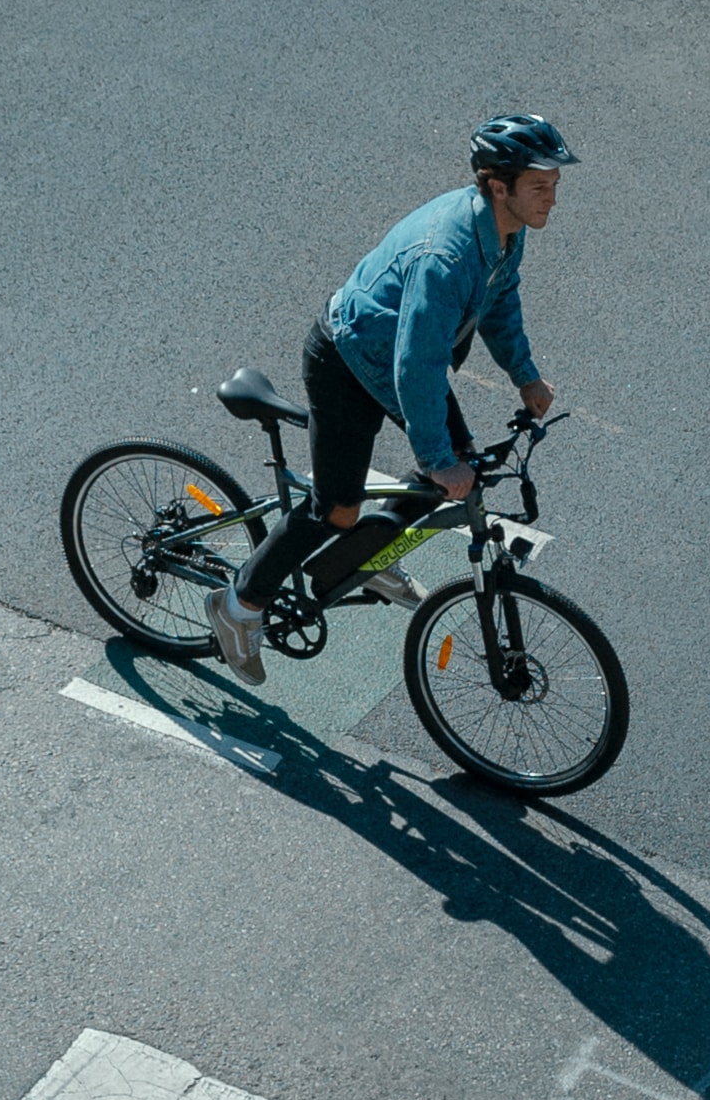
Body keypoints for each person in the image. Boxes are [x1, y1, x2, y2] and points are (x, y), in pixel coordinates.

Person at [211, 115, 574, 679]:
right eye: (541, 186)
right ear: (497, 185)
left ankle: (363, 555)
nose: (552, 199)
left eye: (554, 185)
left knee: (459, 468)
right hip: (348, 361)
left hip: (399, 360)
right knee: (337, 507)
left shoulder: (506, 230)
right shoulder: (446, 257)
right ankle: (239, 604)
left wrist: (524, 375)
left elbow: (500, 302)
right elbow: (416, 366)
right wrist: (436, 458)